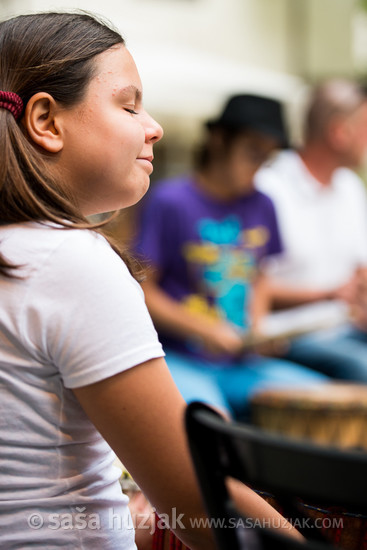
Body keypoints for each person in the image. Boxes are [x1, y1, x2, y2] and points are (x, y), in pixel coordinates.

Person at [0, 11, 304, 549]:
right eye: (129, 103)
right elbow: (197, 502)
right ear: (46, 121)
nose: (153, 126)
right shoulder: (70, 261)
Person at [134, 94, 326, 421]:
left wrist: (257, 328)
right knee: (211, 425)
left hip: (243, 362)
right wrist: (206, 330)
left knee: (323, 403)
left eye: (266, 159)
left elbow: (260, 275)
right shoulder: (171, 201)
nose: (258, 168)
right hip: (180, 358)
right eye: (253, 153)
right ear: (219, 140)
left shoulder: (263, 204)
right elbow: (143, 291)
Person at [255, 78, 367, 382]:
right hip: (291, 337)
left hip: (346, 331)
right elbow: (249, 286)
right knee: (362, 367)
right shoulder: (268, 189)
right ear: (339, 132)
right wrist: (328, 295)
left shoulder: (351, 187)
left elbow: (360, 273)